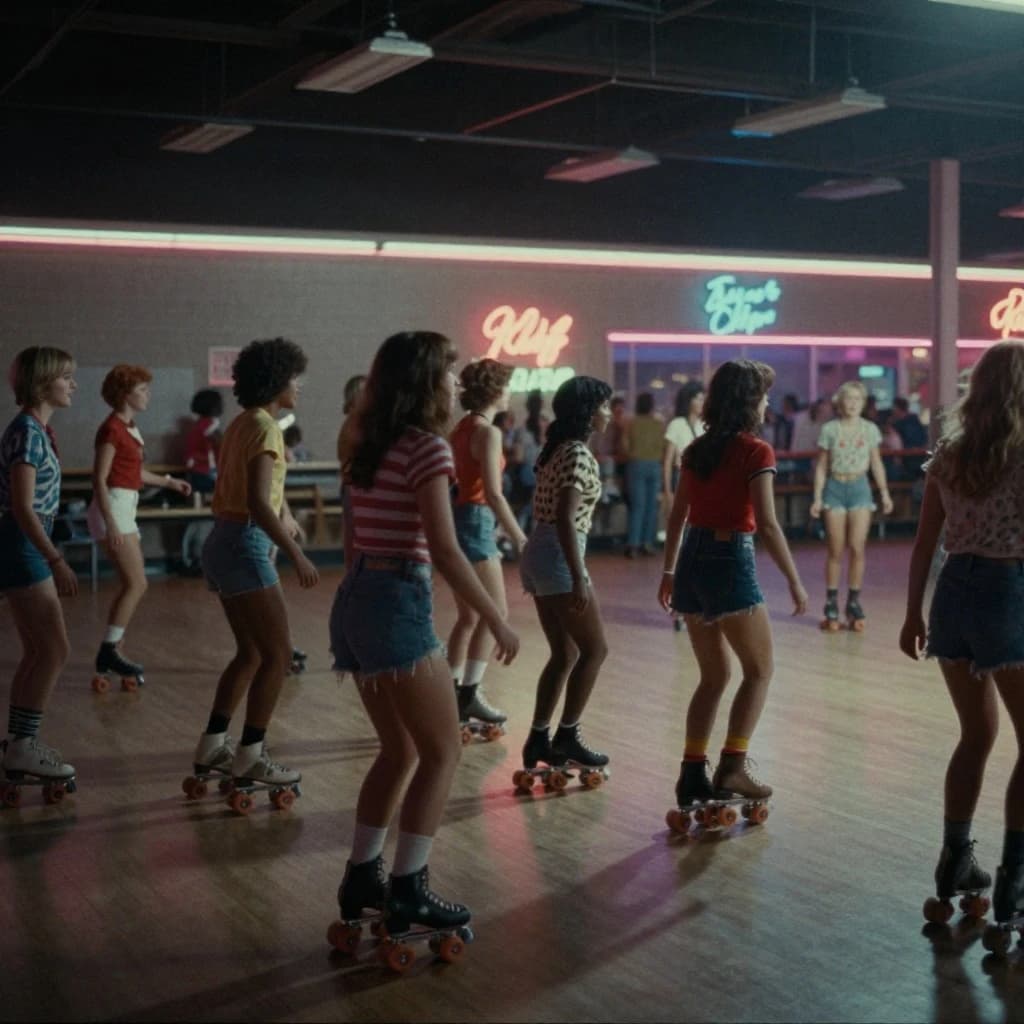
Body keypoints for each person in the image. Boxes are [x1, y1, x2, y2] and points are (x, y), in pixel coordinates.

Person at [329, 331, 518, 944]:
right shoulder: (426, 449)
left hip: (356, 598)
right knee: (441, 751)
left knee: (399, 750)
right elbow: (445, 545)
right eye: (447, 372)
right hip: (395, 601)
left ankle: (363, 878)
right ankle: (408, 888)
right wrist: (495, 616)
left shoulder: (365, 443)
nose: (454, 383)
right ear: (427, 382)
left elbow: (353, 536)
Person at [898, 339, 1024, 929]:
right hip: (1008, 590)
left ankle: (955, 857)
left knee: (976, 734)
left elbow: (925, 541)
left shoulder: (950, 452)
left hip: (953, 594)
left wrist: (912, 613)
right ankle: (1015, 881)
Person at [658, 360, 807, 813]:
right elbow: (768, 523)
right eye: (762, 395)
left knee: (713, 676)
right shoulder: (756, 452)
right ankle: (732, 767)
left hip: (691, 560)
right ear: (749, 401)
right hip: (728, 558)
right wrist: (795, 581)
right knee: (759, 671)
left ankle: (691, 774)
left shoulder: (697, 449)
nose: (767, 402)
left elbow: (678, 514)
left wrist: (668, 572)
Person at [193, 338, 319, 793]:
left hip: (222, 540)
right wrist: (296, 553)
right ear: (276, 381)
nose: (299, 386)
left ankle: (212, 745)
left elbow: (258, 490)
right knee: (278, 655)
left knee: (250, 653)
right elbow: (258, 502)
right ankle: (250, 755)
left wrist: (284, 514)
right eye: (294, 379)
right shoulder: (267, 429)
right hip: (245, 541)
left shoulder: (242, 423)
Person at [518, 376, 613, 779]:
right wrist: (578, 576)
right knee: (595, 650)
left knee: (564, 653)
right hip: (558, 552)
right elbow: (565, 516)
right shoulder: (577, 453)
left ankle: (539, 738)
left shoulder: (556, 449)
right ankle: (568, 736)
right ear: (589, 412)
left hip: (538, 551)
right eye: (605, 406)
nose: (610, 413)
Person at [0, 348, 79, 791]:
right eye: (66, 376)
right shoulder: (28, 432)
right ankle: (24, 745)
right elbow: (23, 507)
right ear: (43, 381)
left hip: (23, 541)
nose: (73, 384)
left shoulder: (36, 430)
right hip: (23, 543)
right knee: (53, 650)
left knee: (37, 650)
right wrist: (55, 558)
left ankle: (18, 743)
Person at [87, 365, 192, 688]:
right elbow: (99, 479)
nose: (148, 394)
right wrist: (111, 522)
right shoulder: (111, 429)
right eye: (142, 390)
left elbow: (135, 472)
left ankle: (114, 649)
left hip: (124, 506)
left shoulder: (129, 427)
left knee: (132, 583)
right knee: (137, 583)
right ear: (125, 394)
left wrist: (170, 482)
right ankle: (109, 651)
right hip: (113, 508)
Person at [446, 359, 528, 733]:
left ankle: (452, 695)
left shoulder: (460, 428)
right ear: (494, 391)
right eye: (506, 386)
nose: (510, 392)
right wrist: (519, 536)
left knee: (468, 617)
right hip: (476, 521)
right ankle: (468, 694)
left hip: (459, 518)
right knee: (496, 611)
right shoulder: (489, 432)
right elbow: (493, 493)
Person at [810, 381, 893, 630]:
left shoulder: (870, 429)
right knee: (835, 549)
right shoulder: (830, 429)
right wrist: (817, 497)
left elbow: (876, 463)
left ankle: (854, 601)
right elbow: (822, 466)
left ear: (864, 403)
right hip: (835, 487)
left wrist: (884, 493)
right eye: (849, 398)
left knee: (857, 547)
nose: (854, 403)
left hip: (860, 488)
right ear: (840, 402)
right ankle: (831, 601)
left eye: (858, 399)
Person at [623, 392, 663, 557]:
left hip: (636, 464)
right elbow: (663, 445)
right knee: (652, 506)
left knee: (637, 506)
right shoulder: (658, 424)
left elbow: (624, 445)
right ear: (652, 405)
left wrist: (632, 455)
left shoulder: (631, 423)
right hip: (655, 465)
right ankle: (647, 543)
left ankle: (633, 544)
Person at [510, 389, 546, 533]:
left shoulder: (521, 431)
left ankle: (522, 529)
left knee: (531, 502)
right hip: (537, 475)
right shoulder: (546, 428)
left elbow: (518, 458)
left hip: (529, 474)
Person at [662, 381, 705, 501]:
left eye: (703, 399)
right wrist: (668, 492)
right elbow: (668, 461)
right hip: (681, 477)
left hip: (700, 477)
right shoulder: (677, 424)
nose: (702, 403)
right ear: (689, 400)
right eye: (699, 399)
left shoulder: (703, 426)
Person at [183, 388, 223, 503]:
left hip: (197, 472)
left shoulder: (198, 425)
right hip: (205, 472)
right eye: (220, 403)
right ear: (213, 406)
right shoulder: (211, 426)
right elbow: (222, 445)